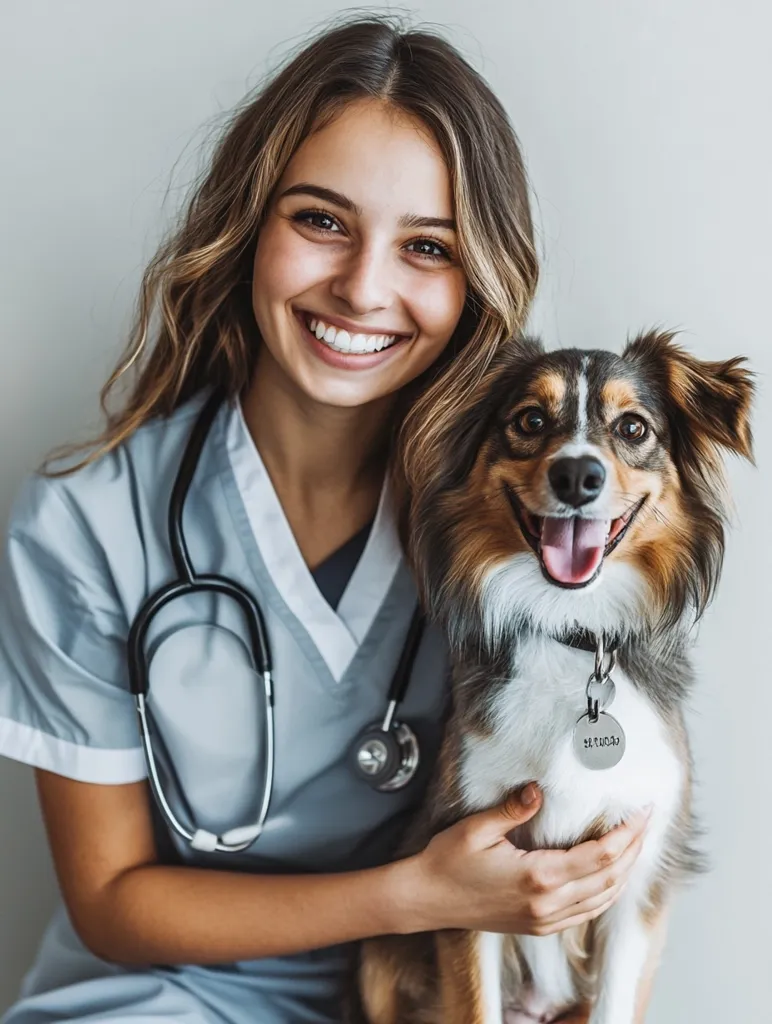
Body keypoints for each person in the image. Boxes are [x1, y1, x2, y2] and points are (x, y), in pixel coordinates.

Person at [0, 14, 654, 1024]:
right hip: (165, 999)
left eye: (425, 246)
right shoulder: (88, 528)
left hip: (437, 992)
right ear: (247, 222)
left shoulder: (522, 529)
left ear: (474, 276)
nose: (362, 287)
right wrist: (416, 891)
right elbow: (112, 903)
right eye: (320, 221)